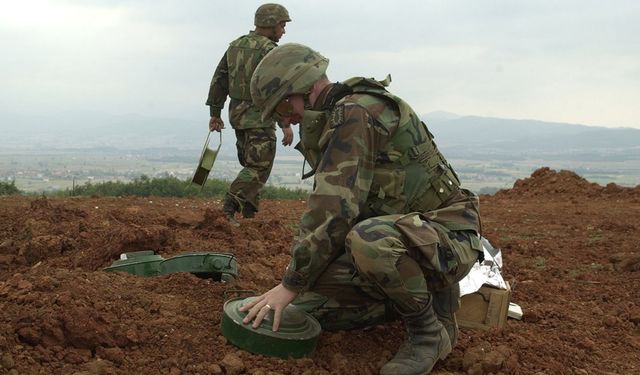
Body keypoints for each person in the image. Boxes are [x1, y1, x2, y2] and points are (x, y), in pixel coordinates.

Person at [240, 43, 483, 375]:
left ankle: (430, 333)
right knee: (316, 297)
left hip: (446, 238)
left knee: (367, 241)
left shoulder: (354, 114)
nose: (287, 118)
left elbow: (333, 212)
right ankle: (418, 295)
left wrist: (291, 283)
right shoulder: (337, 114)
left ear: (306, 87)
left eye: (283, 106)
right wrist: (301, 284)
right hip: (414, 237)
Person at [205, 3, 293, 225]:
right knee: (259, 166)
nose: (284, 30)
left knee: (250, 164)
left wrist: (215, 113)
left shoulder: (235, 46)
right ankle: (230, 207)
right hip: (259, 117)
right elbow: (277, 90)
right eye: (282, 25)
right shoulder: (271, 51)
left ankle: (249, 216)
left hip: (237, 116)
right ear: (271, 24)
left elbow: (219, 79)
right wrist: (285, 122)